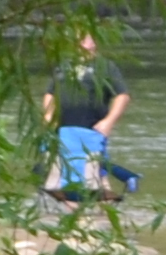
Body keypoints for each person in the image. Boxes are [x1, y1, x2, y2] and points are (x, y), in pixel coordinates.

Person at [43, 38, 140, 201]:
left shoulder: (106, 67)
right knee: (59, 175)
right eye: (80, 38)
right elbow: (50, 93)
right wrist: (48, 115)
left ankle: (99, 210)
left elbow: (122, 96)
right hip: (63, 129)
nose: (84, 42)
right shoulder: (64, 65)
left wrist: (108, 121)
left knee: (92, 173)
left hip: (91, 128)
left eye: (88, 38)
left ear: (95, 43)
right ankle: (75, 211)